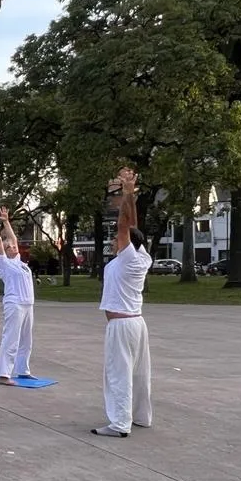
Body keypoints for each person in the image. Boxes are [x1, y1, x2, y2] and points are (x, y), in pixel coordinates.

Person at [92, 168, 153, 438]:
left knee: (119, 374)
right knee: (139, 373)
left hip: (122, 325)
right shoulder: (141, 257)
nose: (114, 241)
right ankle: (140, 416)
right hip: (136, 323)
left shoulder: (130, 258)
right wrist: (130, 199)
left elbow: (125, 225)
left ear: (129, 243)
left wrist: (128, 192)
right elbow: (132, 224)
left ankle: (119, 424)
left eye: (118, 239)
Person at [0, 206, 36, 386]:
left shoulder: (19, 261)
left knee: (26, 339)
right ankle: (3, 374)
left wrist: (6, 221)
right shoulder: (4, 263)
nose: (12, 246)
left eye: (13, 246)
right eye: (8, 246)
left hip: (28, 304)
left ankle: (23, 370)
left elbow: (13, 237)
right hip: (15, 304)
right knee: (11, 338)